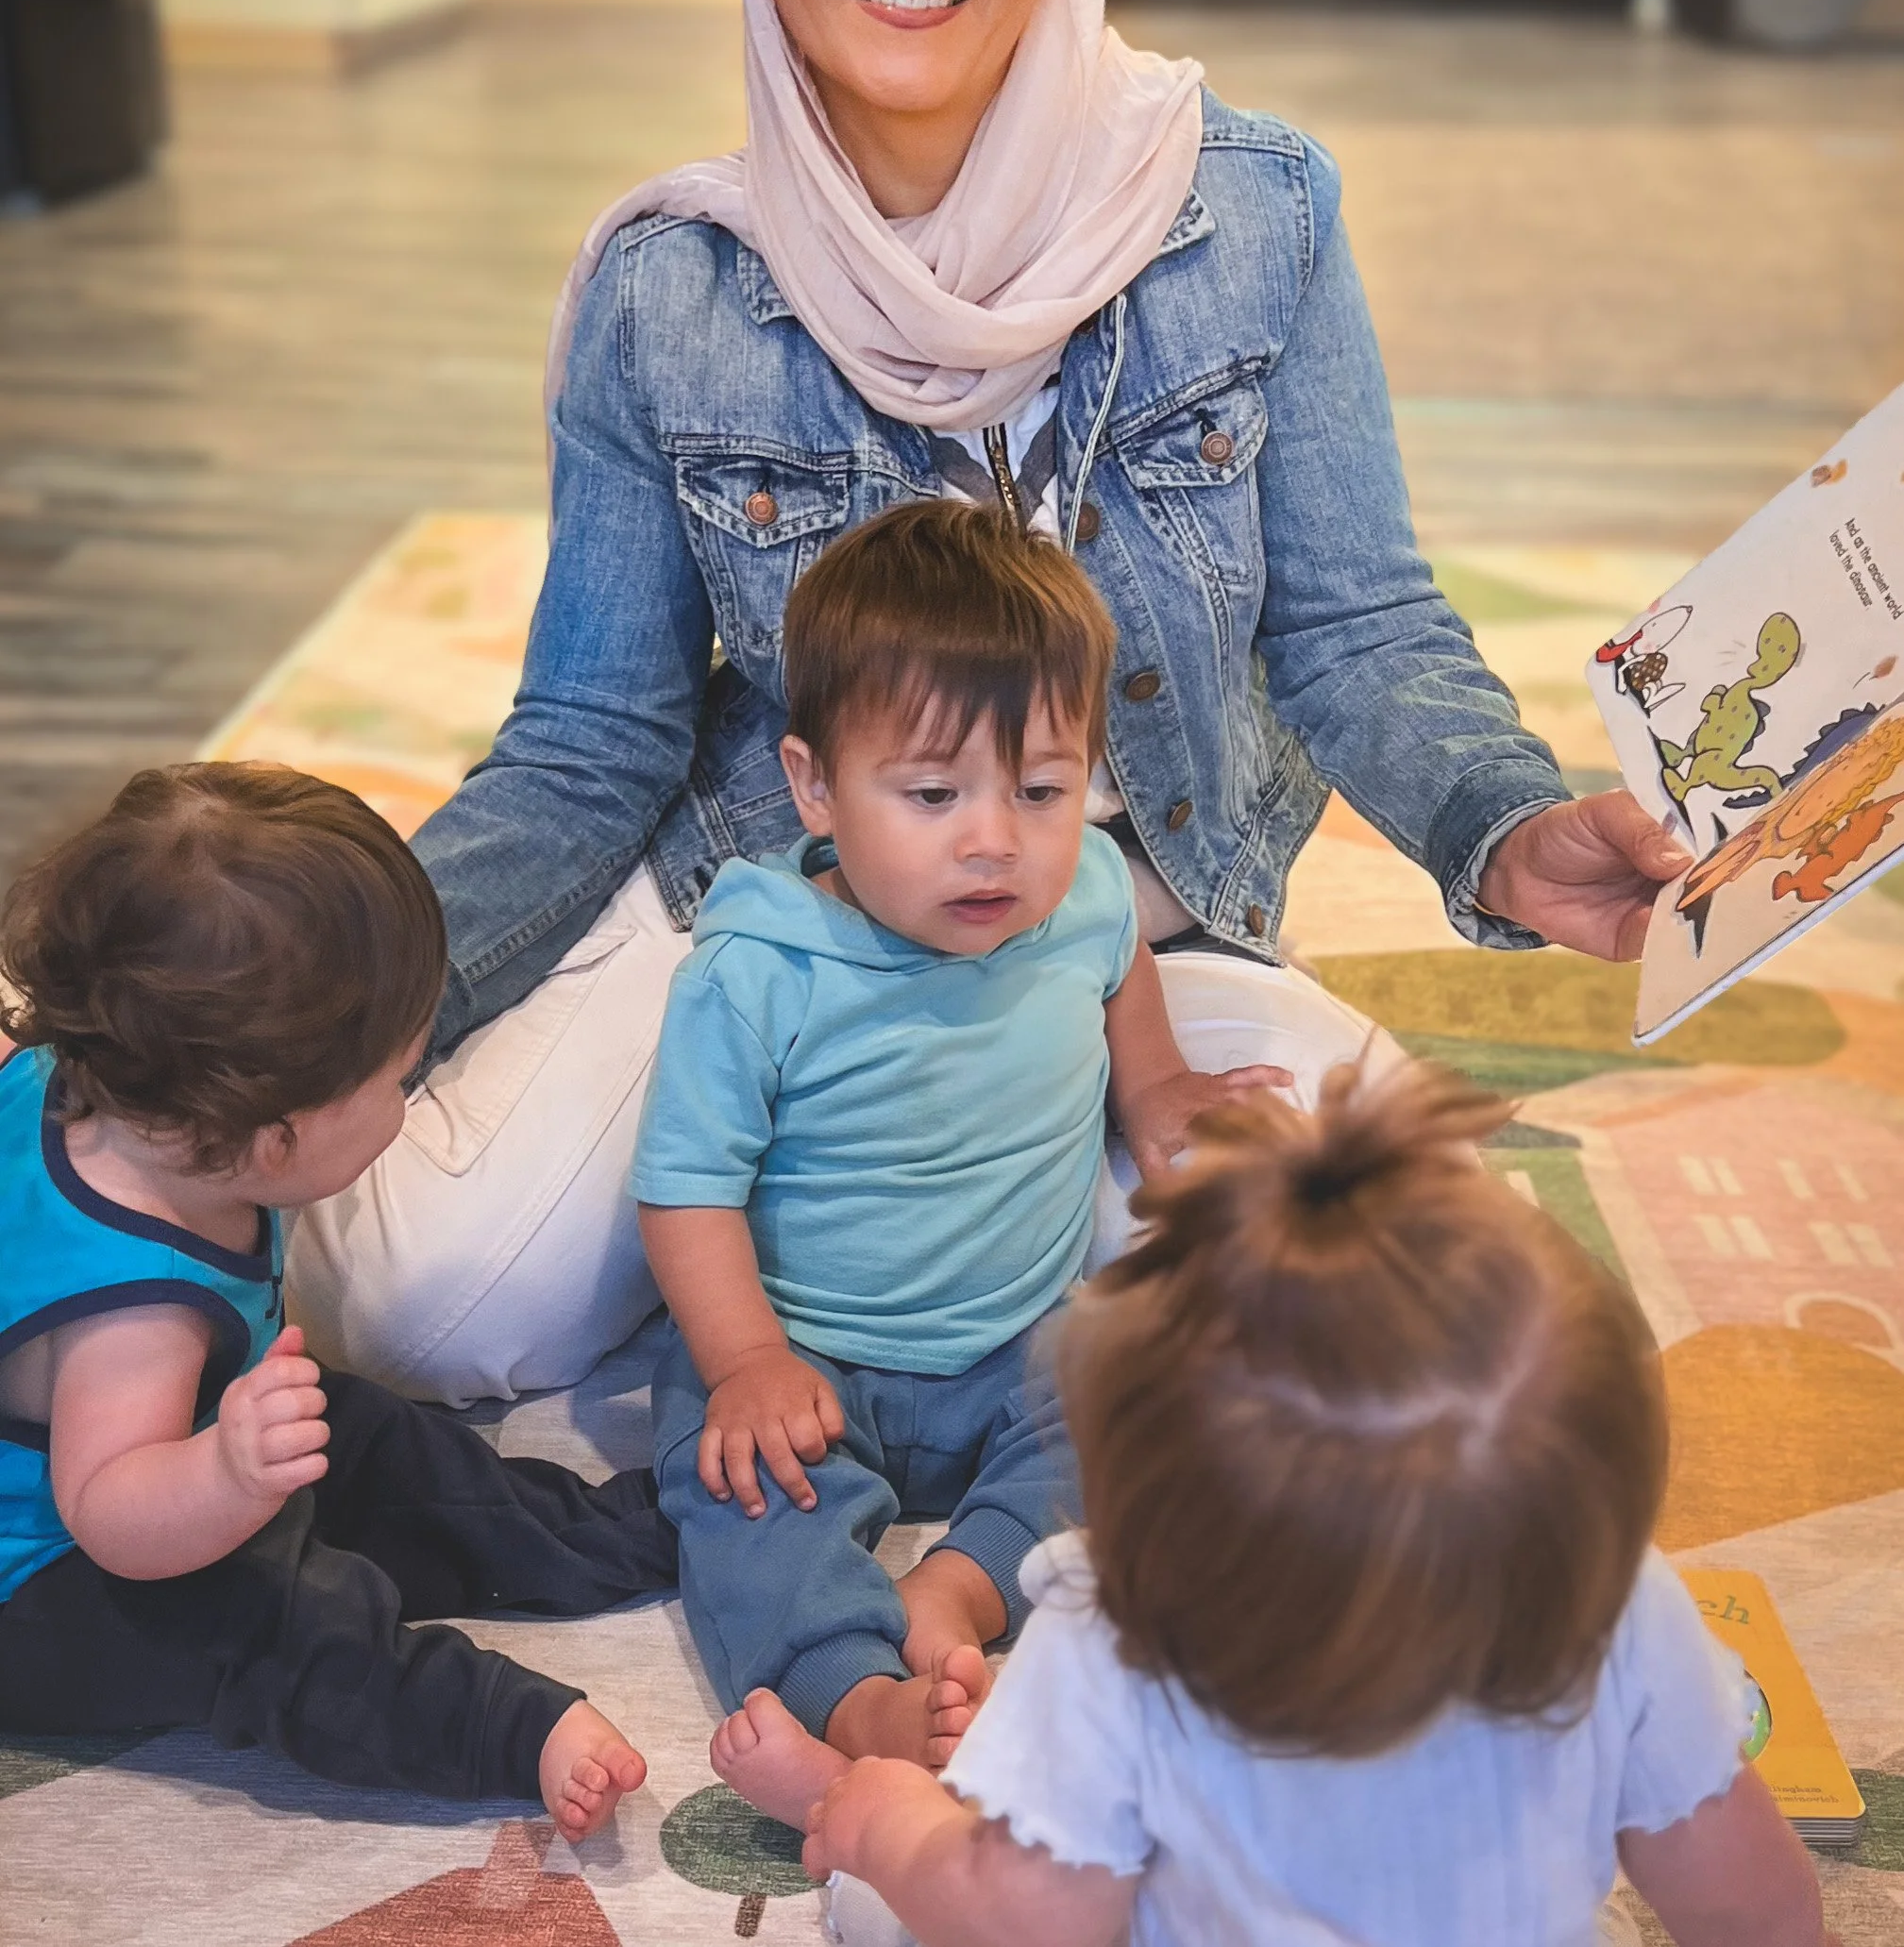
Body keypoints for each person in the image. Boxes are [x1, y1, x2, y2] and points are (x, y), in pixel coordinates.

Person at [288, 0, 1690, 1408]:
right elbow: (588, 743)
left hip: (1127, 952)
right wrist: (335, 1002)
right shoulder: (670, 288)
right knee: (416, 1310)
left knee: (1412, 1327)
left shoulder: (1248, 214)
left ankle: (809, 1218)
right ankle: (778, 1186)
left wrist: (1503, 828)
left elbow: (1355, 622)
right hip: (776, 919)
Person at [710, 1063, 1829, 1947]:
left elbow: (1027, 1919)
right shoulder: (1624, 1605)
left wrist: (891, 1829)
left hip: (1055, 1871)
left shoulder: (1116, 1642)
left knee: (908, 1891)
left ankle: (848, 1790)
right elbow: (1748, 1903)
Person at [635, 500, 1284, 1772]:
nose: (994, 840)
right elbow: (684, 1189)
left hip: (1018, 1337)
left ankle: (968, 1586)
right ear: (814, 785)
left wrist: (1156, 1086)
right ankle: (851, 1691)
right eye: (932, 793)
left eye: (1041, 788)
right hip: (803, 1347)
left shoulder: (1083, 890)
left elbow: (1120, 973)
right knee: (740, 1491)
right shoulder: (760, 966)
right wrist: (746, 1358)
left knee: (1163, 1403)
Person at [0, 764, 674, 1838]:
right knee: (270, 1619)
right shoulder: (138, 1314)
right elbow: (113, 1514)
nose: (409, 1096)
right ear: (275, 1137)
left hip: (188, 1442)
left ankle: (621, 1530)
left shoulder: (98, 1071)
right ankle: (497, 1725)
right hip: (55, 1577)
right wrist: (226, 1474)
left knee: (367, 1436)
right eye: (397, 1080)